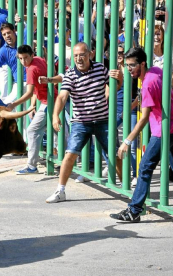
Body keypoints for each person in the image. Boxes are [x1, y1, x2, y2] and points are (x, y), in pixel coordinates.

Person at [113, 47, 173, 222]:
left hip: (163, 130)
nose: (128, 69)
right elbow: (170, 84)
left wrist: (127, 141)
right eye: (127, 66)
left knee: (145, 167)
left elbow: (144, 118)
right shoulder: (156, 71)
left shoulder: (147, 83)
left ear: (142, 64)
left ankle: (134, 210)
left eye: (132, 66)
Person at [44, 42, 123, 203]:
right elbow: (62, 96)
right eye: (75, 56)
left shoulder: (100, 68)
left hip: (102, 119)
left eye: (82, 55)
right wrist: (55, 115)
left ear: (90, 54)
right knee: (70, 154)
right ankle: (61, 190)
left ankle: (125, 186)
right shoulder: (71, 74)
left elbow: (113, 86)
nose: (78, 59)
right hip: (81, 121)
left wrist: (119, 80)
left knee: (115, 153)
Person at [6, 45, 57, 174]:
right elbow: (36, 89)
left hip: (49, 102)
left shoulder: (31, 70)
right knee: (56, 130)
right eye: (21, 58)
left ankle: (32, 166)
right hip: (52, 99)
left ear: (31, 55)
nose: (24, 61)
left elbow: (29, 93)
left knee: (32, 130)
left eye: (26, 58)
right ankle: (62, 158)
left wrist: (13, 104)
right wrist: (32, 104)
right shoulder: (39, 60)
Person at [0, 23, 26, 104]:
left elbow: (34, 21)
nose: (7, 36)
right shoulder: (3, 51)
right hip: (19, 83)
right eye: (4, 34)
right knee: (7, 105)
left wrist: (22, 18)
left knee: (7, 105)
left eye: (9, 33)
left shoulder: (23, 37)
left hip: (33, 80)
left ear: (14, 31)